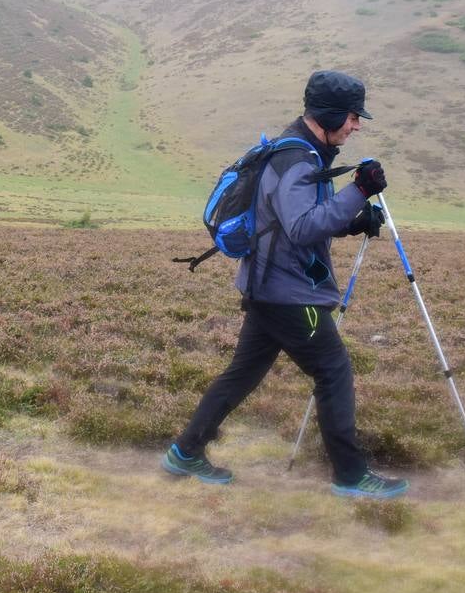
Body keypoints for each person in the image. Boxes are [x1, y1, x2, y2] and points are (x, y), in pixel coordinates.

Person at [161, 70, 407, 499]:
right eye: (351, 117)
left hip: (267, 287)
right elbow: (300, 226)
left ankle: (185, 453)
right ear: (330, 115)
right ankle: (351, 475)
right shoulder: (298, 160)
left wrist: (351, 222)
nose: (357, 125)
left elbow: (290, 221)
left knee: (241, 375)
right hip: (291, 296)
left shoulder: (295, 152)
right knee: (333, 371)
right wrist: (358, 192)